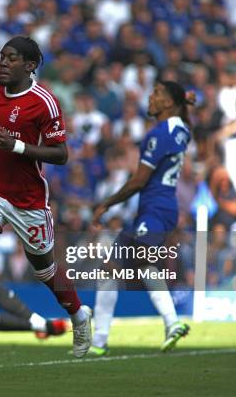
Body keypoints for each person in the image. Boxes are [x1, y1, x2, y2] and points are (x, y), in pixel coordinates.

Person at [0, 36, 91, 357]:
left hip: (27, 199)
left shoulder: (44, 101)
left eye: (11, 58)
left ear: (30, 66)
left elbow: (61, 154)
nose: (3, 63)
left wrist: (18, 148)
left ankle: (79, 317)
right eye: (1, 57)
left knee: (45, 272)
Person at [91, 81, 195, 355]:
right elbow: (184, 123)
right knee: (112, 268)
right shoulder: (182, 129)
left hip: (155, 208)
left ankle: (172, 323)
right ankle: (99, 340)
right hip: (159, 208)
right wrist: (185, 101)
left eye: (158, 93)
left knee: (143, 261)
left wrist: (107, 203)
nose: (151, 96)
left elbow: (138, 180)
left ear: (169, 103)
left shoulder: (158, 134)